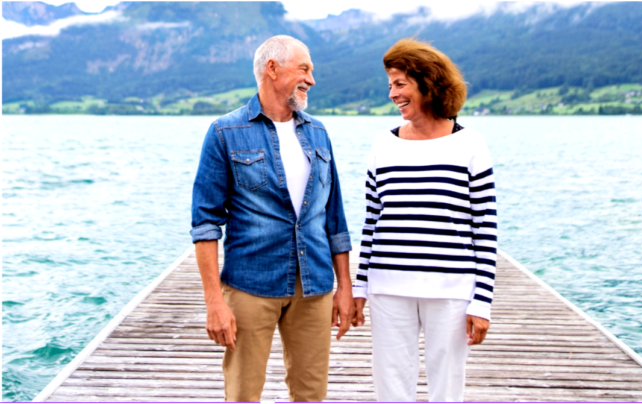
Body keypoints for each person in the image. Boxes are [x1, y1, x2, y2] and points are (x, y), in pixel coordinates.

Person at [190, 35, 354, 402]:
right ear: (272, 68)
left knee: (311, 394)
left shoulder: (318, 133)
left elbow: (335, 219)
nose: (312, 79)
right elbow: (205, 225)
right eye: (305, 69)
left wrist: (345, 287)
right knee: (243, 394)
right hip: (251, 285)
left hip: (314, 286)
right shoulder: (225, 133)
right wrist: (214, 302)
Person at [352, 38, 498, 402]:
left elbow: (486, 228)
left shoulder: (471, 145)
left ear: (428, 82)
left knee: (447, 390)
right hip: (388, 287)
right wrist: (359, 288)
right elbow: (371, 222)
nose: (392, 94)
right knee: (391, 389)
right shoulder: (381, 144)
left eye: (400, 84)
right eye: (390, 85)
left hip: (450, 291)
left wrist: (482, 302)